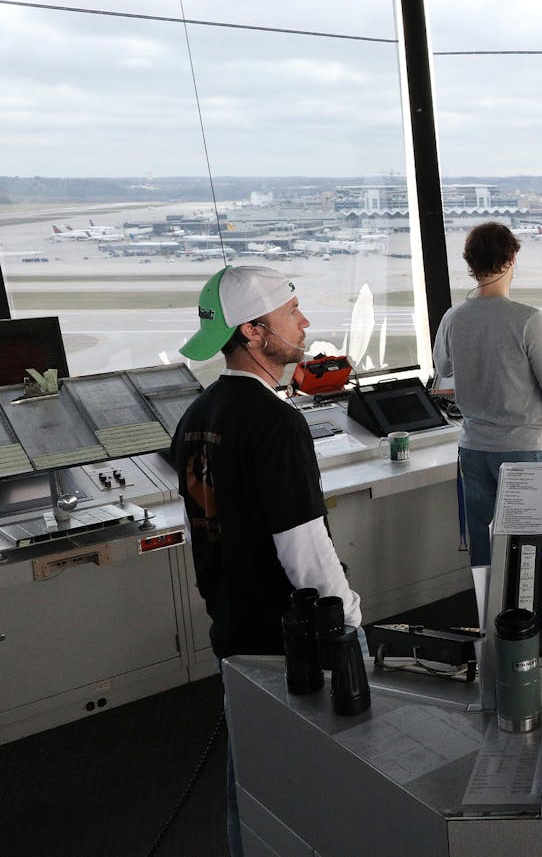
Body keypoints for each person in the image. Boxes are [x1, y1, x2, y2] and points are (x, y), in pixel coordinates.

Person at [171, 265, 363, 857]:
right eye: (291, 312)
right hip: (289, 639)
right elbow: (302, 544)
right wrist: (348, 621)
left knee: (246, 775)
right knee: (306, 782)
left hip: (232, 624)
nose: (304, 323)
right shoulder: (274, 423)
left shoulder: (196, 419)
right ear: (253, 331)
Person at [434, 222, 542, 628]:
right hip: (528, 450)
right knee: (535, 548)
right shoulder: (529, 319)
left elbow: (443, 369)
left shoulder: (453, 317)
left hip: (475, 449)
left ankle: (492, 632)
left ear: (470, 266)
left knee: (486, 552)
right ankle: (539, 632)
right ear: (512, 259)